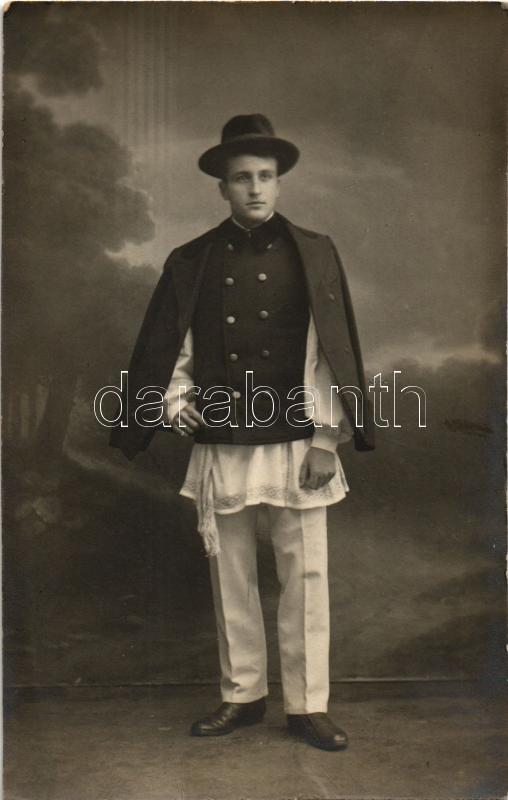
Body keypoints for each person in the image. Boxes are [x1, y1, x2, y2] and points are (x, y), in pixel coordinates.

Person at [110, 114, 375, 752]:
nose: (254, 188)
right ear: (222, 188)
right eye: (241, 178)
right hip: (224, 437)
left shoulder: (314, 250)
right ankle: (243, 695)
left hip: (298, 438)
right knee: (230, 575)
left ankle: (308, 706)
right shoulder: (192, 259)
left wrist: (325, 439)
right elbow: (175, 342)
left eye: (265, 176)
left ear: (279, 182)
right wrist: (173, 401)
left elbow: (328, 347)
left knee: (306, 576)